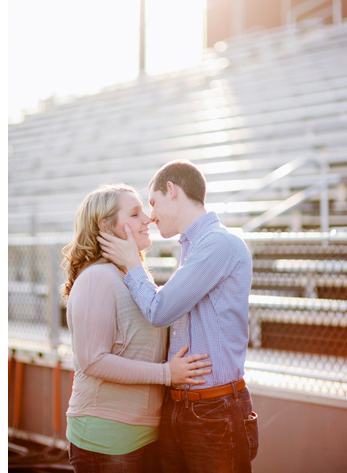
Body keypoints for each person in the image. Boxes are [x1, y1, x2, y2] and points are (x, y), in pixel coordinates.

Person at [98, 161, 259, 473]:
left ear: (171, 190)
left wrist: (132, 263)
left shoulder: (219, 244)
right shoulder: (192, 247)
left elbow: (160, 311)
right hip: (182, 407)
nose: (152, 215)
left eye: (154, 202)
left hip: (214, 410)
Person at [63, 183, 212, 473]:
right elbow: (92, 360)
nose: (148, 220)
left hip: (144, 434)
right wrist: (167, 374)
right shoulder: (97, 278)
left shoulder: (133, 277)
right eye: (135, 214)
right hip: (107, 437)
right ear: (106, 226)